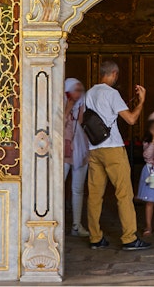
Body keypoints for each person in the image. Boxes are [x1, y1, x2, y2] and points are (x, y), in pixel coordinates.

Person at [84, 60, 151, 251]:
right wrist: (141, 102)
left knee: (95, 195)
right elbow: (130, 119)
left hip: (94, 148)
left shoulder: (89, 93)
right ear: (114, 74)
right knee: (124, 193)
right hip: (113, 148)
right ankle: (129, 238)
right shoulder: (111, 93)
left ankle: (95, 237)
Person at [63, 78, 89, 237]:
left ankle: (76, 225)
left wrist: (79, 110)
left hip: (79, 149)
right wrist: (68, 108)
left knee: (78, 189)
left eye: (81, 90)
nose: (78, 94)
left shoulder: (80, 105)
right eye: (75, 90)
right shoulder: (58, 104)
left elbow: (79, 124)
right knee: (59, 187)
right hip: (63, 151)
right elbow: (57, 125)